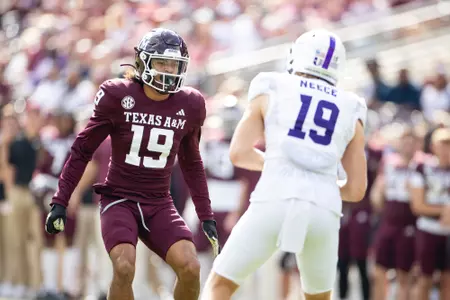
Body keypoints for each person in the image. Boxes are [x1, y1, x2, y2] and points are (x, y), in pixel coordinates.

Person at [44, 28, 219, 300]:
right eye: (162, 62)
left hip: (159, 202)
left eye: (174, 64)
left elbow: (192, 162)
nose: (169, 70)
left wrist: (205, 214)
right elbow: (82, 149)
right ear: (143, 62)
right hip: (119, 199)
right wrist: (60, 201)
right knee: (124, 267)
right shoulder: (117, 95)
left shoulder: (191, 103)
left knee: (190, 266)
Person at [202, 29, 368, 300]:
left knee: (221, 285)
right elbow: (356, 189)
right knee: (317, 297)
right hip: (324, 208)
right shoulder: (353, 106)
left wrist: (281, 168)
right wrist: (319, 181)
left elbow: (240, 153)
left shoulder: (271, 85)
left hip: (275, 196)